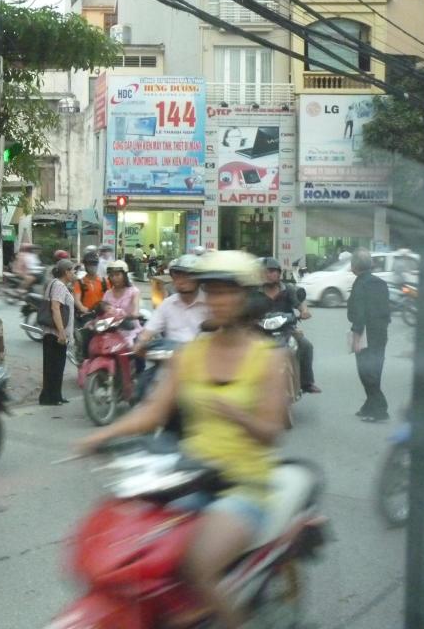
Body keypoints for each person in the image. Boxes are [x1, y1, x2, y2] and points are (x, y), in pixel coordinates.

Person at [78, 251, 289, 629]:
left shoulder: (268, 358)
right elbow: (153, 413)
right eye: (212, 291)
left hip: (242, 485)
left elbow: (271, 433)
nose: (217, 299)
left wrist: (236, 414)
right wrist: (103, 434)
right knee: (135, 554)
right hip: (189, 476)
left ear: (245, 299)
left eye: (226, 292)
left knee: (198, 566)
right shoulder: (191, 355)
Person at [257, 257, 320, 395]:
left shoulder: (288, 289)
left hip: (286, 329)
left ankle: (307, 382)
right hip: (262, 330)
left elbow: (299, 304)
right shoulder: (255, 292)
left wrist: (304, 311)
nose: (269, 274)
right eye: (266, 271)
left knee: (306, 346)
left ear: (279, 273)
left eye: (273, 271)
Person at [347, 248, 391, 422]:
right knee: (375, 370)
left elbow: (359, 312)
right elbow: (386, 310)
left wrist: (356, 337)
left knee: (366, 372)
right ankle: (369, 405)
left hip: (365, 333)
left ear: (354, 267)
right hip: (381, 333)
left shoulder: (360, 284)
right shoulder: (381, 283)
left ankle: (380, 408)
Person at [134, 254, 207, 354]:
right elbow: (149, 329)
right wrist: (141, 342)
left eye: (188, 276)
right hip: (171, 360)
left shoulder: (210, 303)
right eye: (178, 276)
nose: (181, 281)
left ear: (199, 279)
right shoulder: (167, 304)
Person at [39, 259, 75, 406]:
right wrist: (61, 332)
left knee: (55, 365)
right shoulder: (59, 285)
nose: (73, 273)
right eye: (72, 270)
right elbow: (55, 308)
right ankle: (50, 397)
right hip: (55, 333)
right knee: (54, 366)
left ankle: (55, 395)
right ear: (66, 271)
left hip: (53, 333)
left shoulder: (55, 283)